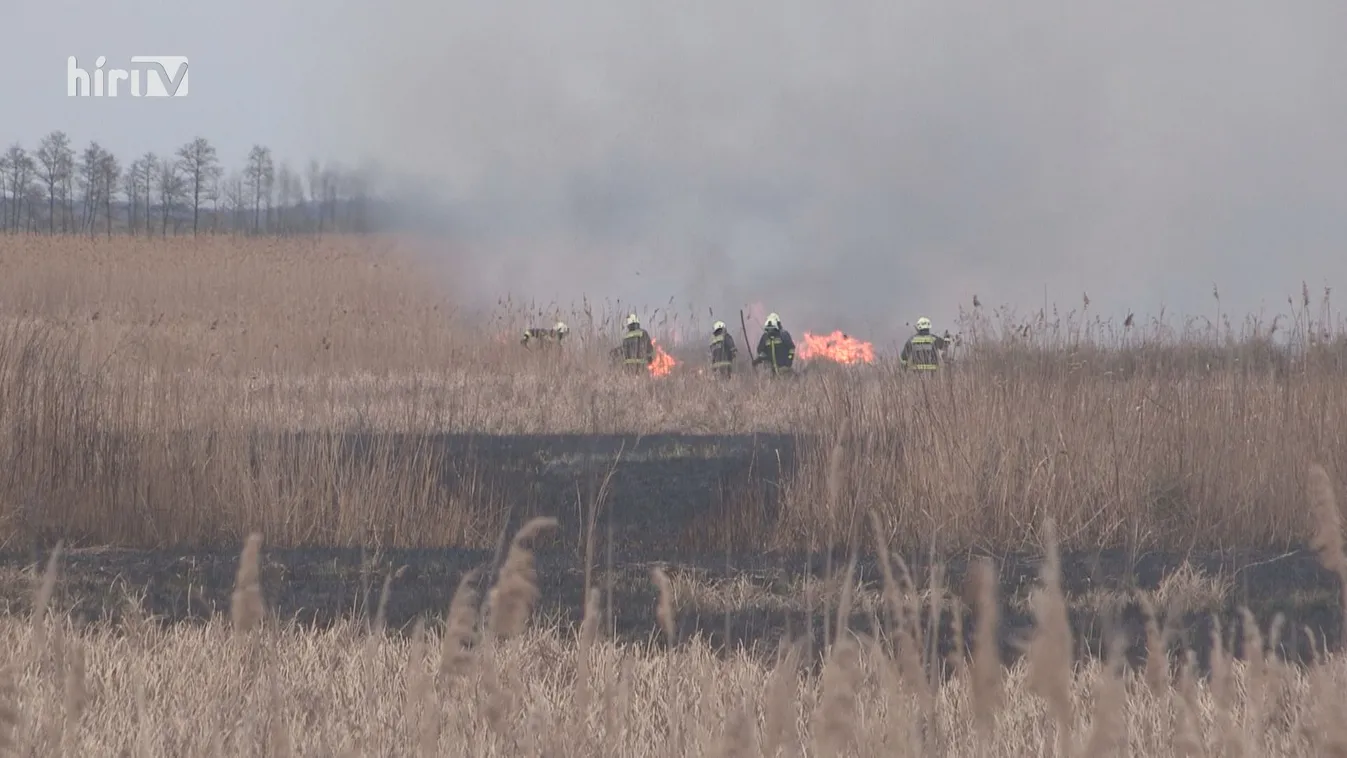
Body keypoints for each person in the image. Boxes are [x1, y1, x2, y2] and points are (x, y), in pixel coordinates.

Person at [752, 312, 795, 376]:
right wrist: (758, 360)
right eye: (769, 329)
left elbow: (791, 349)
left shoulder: (784, 335)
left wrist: (788, 361)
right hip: (771, 371)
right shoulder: (765, 337)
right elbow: (762, 352)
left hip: (784, 370)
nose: (770, 331)